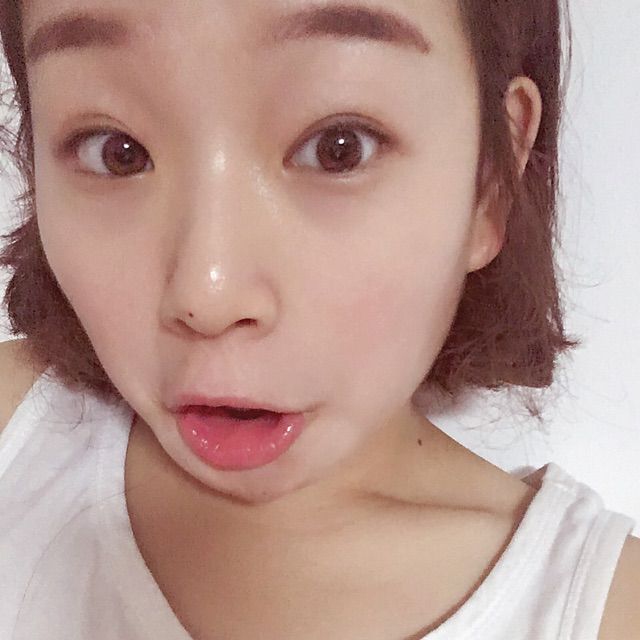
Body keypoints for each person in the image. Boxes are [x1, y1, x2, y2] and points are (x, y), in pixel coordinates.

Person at [0, 1, 637, 638]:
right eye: (116, 153)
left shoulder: (602, 612)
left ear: (489, 179)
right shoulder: (16, 437)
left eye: (339, 149)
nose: (209, 296)